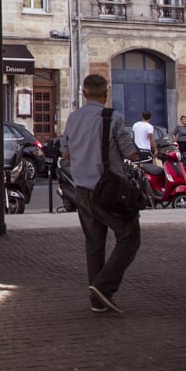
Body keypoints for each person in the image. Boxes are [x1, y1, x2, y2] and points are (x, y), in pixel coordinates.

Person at [60, 73, 140, 315]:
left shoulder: (73, 118)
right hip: (108, 191)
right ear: (106, 94)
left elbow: (65, 154)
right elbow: (131, 154)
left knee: (94, 244)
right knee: (129, 237)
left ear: (84, 93)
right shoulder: (112, 118)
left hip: (82, 190)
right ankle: (104, 286)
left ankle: (97, 301)